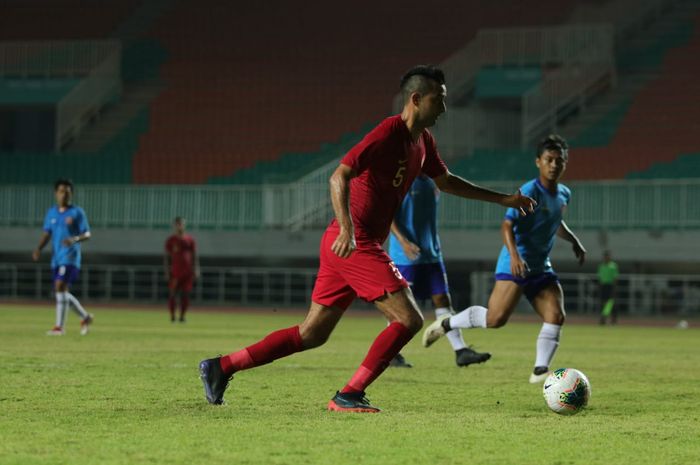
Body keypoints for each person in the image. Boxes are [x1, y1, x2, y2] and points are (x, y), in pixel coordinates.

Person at [198, 65, 536, 413]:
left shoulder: (423, 142)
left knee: (312, 334)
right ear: (416, 99)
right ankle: (349, 394)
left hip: (349, 245)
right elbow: (338, 177)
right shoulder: (387, 132)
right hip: (354, 241)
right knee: (408, 319)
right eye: (439, 100)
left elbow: (447, 182)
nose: (444, 109)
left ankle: (221, 366)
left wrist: (503, 200)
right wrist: (346, 228)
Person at [423, 134, 586, 385]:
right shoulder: (530, 191)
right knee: (495, 319)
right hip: (516, 263)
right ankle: (447, 323)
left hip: (541, 267)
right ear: (538, 162)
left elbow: (554, 221)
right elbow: (508, 225)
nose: (554, 165)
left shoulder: (564, 193)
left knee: (556, 315)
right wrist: (514, 256)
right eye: (549, 159)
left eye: (559, 160)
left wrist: (573, 240)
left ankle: (540, 370)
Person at [389, 174, 491, 367]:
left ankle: (460, 351)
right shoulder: (400, 180)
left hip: (432, 253)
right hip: (406, 256)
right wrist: (403, 242)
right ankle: (392, 353)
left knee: (442, 300)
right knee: (402, 306)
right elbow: (388, 215)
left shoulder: (433, 181)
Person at [32, 179, 94, 336]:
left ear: (71, 194)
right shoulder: (51, 213)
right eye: (61, 191)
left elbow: (87, 234)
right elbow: (47, 233)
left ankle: (59, 327)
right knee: (61, 291)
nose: (64, 194)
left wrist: (74, 239)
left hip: (71, 257)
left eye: (67, 191)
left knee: (60, 287)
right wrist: (39, 248)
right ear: (56, 193)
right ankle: (85, 317)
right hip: (57, 257)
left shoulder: (77, 212)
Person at [164, 216, 199, 323]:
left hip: (188, 273)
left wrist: (196, 269)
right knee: (173, 294)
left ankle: (182, 317)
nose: (180, 226)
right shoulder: (171, 240)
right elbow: (167, 257)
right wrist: (166, 271)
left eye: (182, 224)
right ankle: (172, 316)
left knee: (186, 295)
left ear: (184, 225)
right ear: (174, 226)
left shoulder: (190, 240)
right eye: (178, 224)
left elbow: (194, 256)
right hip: (175, 272)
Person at [598, 250, 619, 325]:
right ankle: (603, 319)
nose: (606, 258)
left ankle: (613, 320)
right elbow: (600, 278)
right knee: (603, 303)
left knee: (611, 303)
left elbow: (615, 278)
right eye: (605, 256)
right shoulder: (601, 266)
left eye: (607, 256)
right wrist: (600, 287)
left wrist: (614, 288)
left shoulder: (613, 266)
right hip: (603, 286)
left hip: (610, 286)